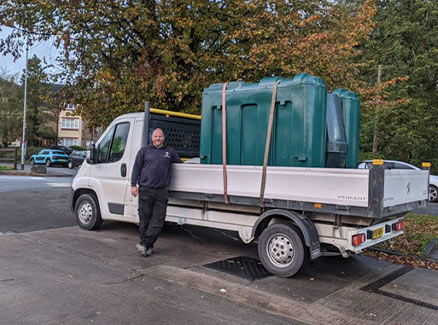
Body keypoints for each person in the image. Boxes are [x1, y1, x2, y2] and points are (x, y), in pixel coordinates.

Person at [131, 128, 181, 256]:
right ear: (151, 138)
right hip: (145, 190)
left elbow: (180, 166)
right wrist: (133, 185)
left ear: (164, 138)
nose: (158, 139)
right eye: (155, 136)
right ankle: (147, 246)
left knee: (158, 221)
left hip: (161, 192)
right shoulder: (144, 151)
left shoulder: (170, 152)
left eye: (160, 136)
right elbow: (136, 168)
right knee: (144, 221)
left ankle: (144, 244)